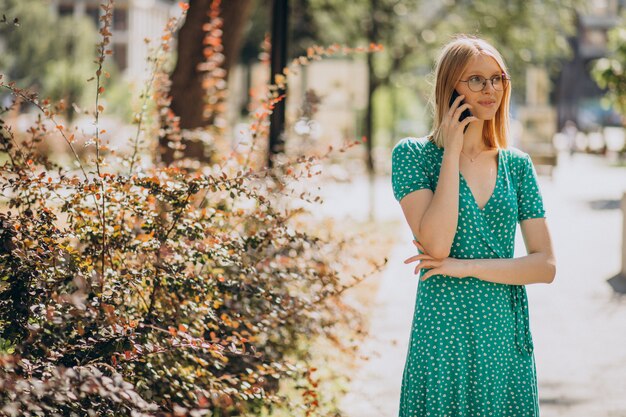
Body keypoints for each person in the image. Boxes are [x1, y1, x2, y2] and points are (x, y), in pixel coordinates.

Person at [391, 35, 556, 417]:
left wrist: (468, 268)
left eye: (497, 78)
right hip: (443, 337)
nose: (490, 89)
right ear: (450, 87)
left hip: (502, 338)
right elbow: (436, 247)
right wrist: (451, 150)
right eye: (476, 80)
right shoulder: (414, 156)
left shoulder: (518, 165)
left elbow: (545, 265)